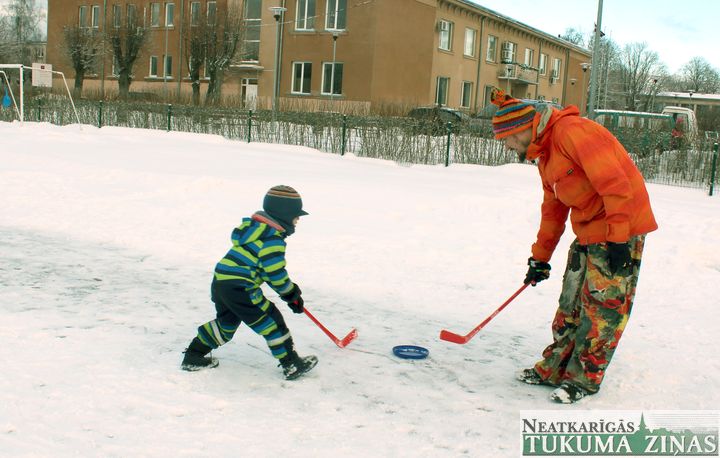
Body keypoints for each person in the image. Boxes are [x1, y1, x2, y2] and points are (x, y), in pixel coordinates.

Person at [490, 88, 658, 403]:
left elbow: (615, 184)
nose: (506, 146)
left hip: (621, 224)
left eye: (506, 139)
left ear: (521, 129)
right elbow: (553, 211)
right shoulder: (544, 154)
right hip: (589, 227)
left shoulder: (572, 133)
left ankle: (583, 379)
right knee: (571, 300)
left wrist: (618, 238)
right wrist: (539, 258)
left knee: (603, 307)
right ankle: (555, 368)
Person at [181, 185, 318, 380]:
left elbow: (265, 271)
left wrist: (289, 294)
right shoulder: (271, 239)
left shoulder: (255, 231)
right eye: (296, 216)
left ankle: (193, 356)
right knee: (272, 322)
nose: (297, 220)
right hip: (240, 287)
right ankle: (291, 363)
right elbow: (274, 273)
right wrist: (291, 293)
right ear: (284, 214)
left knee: (226, 324)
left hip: (222, 283)